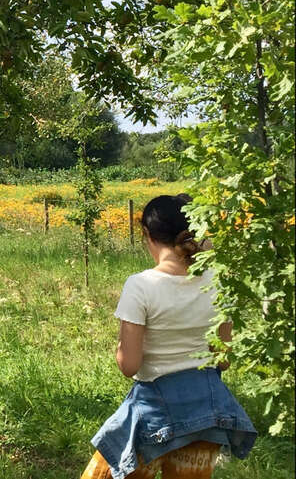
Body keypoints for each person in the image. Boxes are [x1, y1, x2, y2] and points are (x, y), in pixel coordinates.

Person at [80, 195, 257, 479]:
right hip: (208, 415)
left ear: (147, 235)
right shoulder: (218, 282)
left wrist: (119, 348)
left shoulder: (141, 286)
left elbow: (129, 366)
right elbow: (222, 360)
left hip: (153, 418)